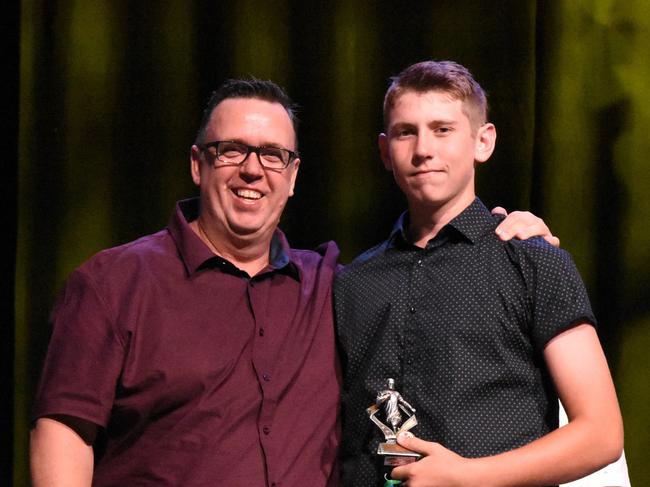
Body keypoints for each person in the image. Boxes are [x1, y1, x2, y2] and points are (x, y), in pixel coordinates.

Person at [30, 77, 557, 487]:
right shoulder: (114, 283)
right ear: (198, 164)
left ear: (294, 174)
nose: (253, 170)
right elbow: (64, 432)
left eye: (273, 155)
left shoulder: (330, 284)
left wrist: (507, 233)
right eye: (231, 150)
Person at [334, 61, 623, 486]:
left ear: (482, 141)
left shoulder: (532, 261)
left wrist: (467, 476)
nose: (423, 149)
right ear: (384, 151)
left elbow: (601, 434)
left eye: (443, 129)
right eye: (405, 132)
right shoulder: (353, 282)